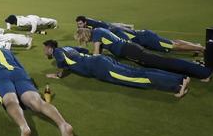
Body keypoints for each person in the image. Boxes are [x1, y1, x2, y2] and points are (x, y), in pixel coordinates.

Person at [42, 40, 190, 98]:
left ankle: (177, 86)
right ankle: (180, 78)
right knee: (138, 72)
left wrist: (57, 76)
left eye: (45, 49)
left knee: (138, 78)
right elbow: (84, 51)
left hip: (100, 67)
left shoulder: (58, 53)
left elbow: (61, 68)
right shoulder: (66, 47)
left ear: (50, 48)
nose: (44, 52)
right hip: (101, 60)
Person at [75, 27, 212, 81]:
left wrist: (85, 58)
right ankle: (196, 71)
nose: (84, 41)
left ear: (84, 36)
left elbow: (96, 55)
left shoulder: (96, 36)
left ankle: (203, 72)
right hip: (132, 48)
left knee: (164, 62)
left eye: (82, 39)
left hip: (131, 51)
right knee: (162, 63)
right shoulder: (98, 30)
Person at [109, 26, 205, 53]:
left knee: (174, 46)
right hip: (144, 34)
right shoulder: (113, 28)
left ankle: (201, 49)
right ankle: (196, 45)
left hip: (147, 39)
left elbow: (127, 42)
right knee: (174, 42)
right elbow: (129, 27)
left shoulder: (114, 33)